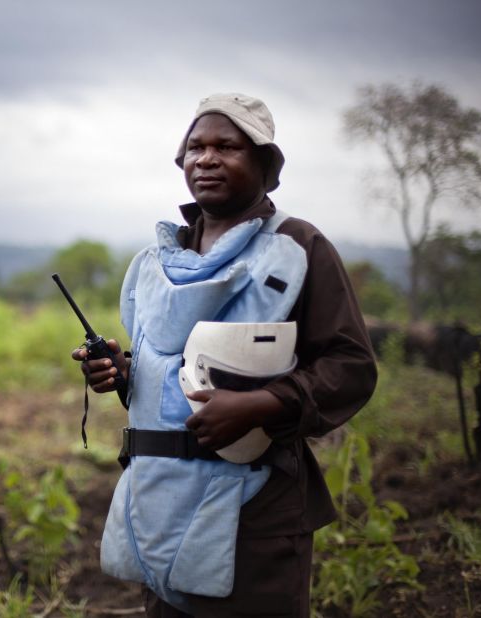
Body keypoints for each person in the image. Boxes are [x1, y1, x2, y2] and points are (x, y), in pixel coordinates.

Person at [71, 93, 377, 617]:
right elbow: (176, 374)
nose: (206, 159)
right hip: (159, 498)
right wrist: (123, 373)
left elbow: (350, 366)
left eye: (226, 147)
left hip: (254, 509)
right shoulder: (161, 261)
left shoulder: (298, 246)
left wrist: (262, 405)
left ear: (264, 163)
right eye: (195, 147)